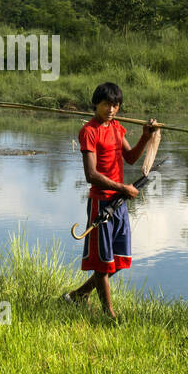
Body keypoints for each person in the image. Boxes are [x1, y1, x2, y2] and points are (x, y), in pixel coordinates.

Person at [62, 82, 160, 322]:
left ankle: (78, 295)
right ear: (96, 103)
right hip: (101, 203)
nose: (111, 109)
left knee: (117, 260)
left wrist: (146, 137)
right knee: (103, 262)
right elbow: (91, 175)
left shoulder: (117, 128)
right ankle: (109, 314)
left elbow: (130, 158)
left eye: (115, 105)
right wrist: (123, 187)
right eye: (106, 104)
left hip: (119, 204)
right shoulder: (89, 131)